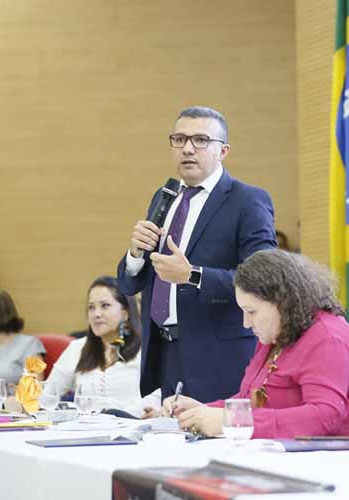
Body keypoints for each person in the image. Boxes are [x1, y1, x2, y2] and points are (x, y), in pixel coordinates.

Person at [117, 106, 276, 404]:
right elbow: (128, 286)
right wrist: (135, 254)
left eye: (201, 140)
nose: (188, 148)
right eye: (179, 139)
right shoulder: (165, 196)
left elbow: (263, 280)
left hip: (220, 360)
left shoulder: (248, 201)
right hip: (164, 354)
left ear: (223, 151)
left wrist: (192, 276)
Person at [162, 249, 349, 439]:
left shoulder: (328, 339)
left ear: (282, 303)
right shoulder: (277, 333)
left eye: (252, 312)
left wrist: (228, 420)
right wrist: (201, 412)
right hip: (293, 453)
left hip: (344, 457)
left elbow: (325, 416)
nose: (246, 323)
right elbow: (253, 400)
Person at [45, 277, 160, 417]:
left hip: (134, 427)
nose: (96, 314)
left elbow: (160, 394)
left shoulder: (147, 348)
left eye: (105, 305)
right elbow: (48, 395)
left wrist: (125, 415)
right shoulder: (77, 348)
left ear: (126, 313)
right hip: (86, 431)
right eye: (91, 307)